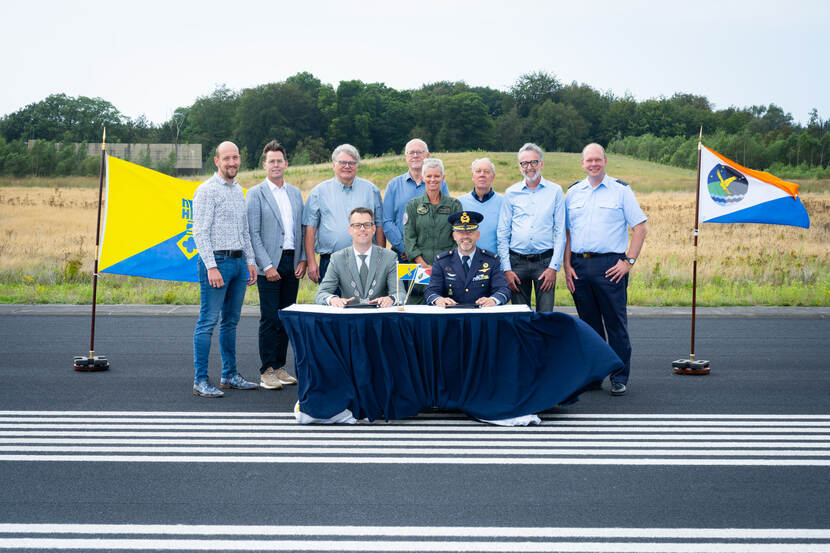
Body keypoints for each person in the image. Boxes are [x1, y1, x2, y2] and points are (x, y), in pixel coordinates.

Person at [563, 143, 647, 396]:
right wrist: (567, 265)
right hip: (579, 265)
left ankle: (619, 376)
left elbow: (640, 228)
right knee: (589, 326)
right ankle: (595, 375)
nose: (593, 164)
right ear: (582, 163)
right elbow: (567, 232)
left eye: (597, 160)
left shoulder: (620, 191)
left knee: (615, 323)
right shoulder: (574, 193)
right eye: (589, 160)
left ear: (605, 161)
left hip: (611, 265)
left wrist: (628, 262)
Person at [191, 141, 258, 398]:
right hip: (216, 263)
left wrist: (250, 262)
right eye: (226, 158)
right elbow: (200, 231)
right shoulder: (207, 190)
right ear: (217, 161)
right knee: (208, 321)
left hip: (239, 264)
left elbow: (244, 230)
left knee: (231, 322)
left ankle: (229, 375)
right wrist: (210, 266)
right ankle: (200, 380)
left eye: (235, 158)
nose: (232, 163)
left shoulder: (238, 189)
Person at [246, 140, 306, 391]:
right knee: (270, 318)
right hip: (269, 263)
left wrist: (302, 258)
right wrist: (266, 265)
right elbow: (253, 233)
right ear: (264, 164)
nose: (276, 165)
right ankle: (267, 370)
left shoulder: (294, 193)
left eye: (279, 160)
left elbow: (300, 230)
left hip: (292, 262)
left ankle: (280, 367)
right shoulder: (256, 193)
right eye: (271, 161)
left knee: (286, 317)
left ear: (286, 163)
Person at [497, 143, 565, 312]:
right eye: (524, 164)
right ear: (520, 166)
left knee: (546, 316)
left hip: (545, 263)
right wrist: (506, 268)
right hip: (516, 263)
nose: (529, 167)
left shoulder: (555, 191)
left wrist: (553, 267)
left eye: (533, 162)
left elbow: (560, 232)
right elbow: (503, 233)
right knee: (520, 317)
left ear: (541, 164)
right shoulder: (511, 193)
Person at [303, 144, 384, 284]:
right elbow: (310, 229)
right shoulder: (318, 192)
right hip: (330, 262)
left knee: (362, 304)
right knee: (331, 302)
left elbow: (379, 226)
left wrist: (381, 260)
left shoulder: (371, 190)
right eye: (342, 162)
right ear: (333, 165)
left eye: (352, 162)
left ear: (357, 165)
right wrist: (311, 262)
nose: (347, 166)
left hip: (365, 261)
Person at [314, 207, 402, 307]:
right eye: (357, 225)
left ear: (373, 229)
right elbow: (321, 294)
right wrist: (332, 299)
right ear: (350, 230)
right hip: (349, 318)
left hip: (379, 317)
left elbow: (400, 293)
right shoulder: (337, 258)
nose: (362, 229)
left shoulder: (390, 257)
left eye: (367, 225)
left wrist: (391, 299)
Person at [403, 158, 461, 304]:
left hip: (448, 268)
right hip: (420, 268)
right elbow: (409, 237)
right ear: (423, 177)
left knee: (446, 306)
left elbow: (459, 238)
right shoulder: (413, 205)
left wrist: (443, 265)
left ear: (443, 178)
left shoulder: (454, 205)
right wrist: (421, 262)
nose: (433, 179)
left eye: (436, 176)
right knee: (417, 308)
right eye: (429, 176)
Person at [382, 138, 449, 262]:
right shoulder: (394, 185)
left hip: (432, 255)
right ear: (405, 156)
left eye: (420, 152)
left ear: (428, 156)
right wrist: (406, 248)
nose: (415, 156)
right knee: (403, 283)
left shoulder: (440, 184)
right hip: (403, 255)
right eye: (411, 152)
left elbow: (445, 218)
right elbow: (387, 221)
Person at [425, 210, 510, 307]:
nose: (465, 236)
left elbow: (503, 289)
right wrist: (438, 300)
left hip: (481, 316)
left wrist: (494, 300)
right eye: (460, 232)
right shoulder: (442, 261)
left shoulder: (492, 260)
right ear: (454, 236)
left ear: (478, 235)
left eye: (470, 232)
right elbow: (431, 291)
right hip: (451, 316)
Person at [458, 157, 503, 254]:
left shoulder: (504, 203)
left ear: (493, 176)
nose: (482, 175)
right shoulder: (459, 203)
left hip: (495, 263)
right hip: (467, 264)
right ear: (473, 176)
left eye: (486, 172)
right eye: (478, 171)